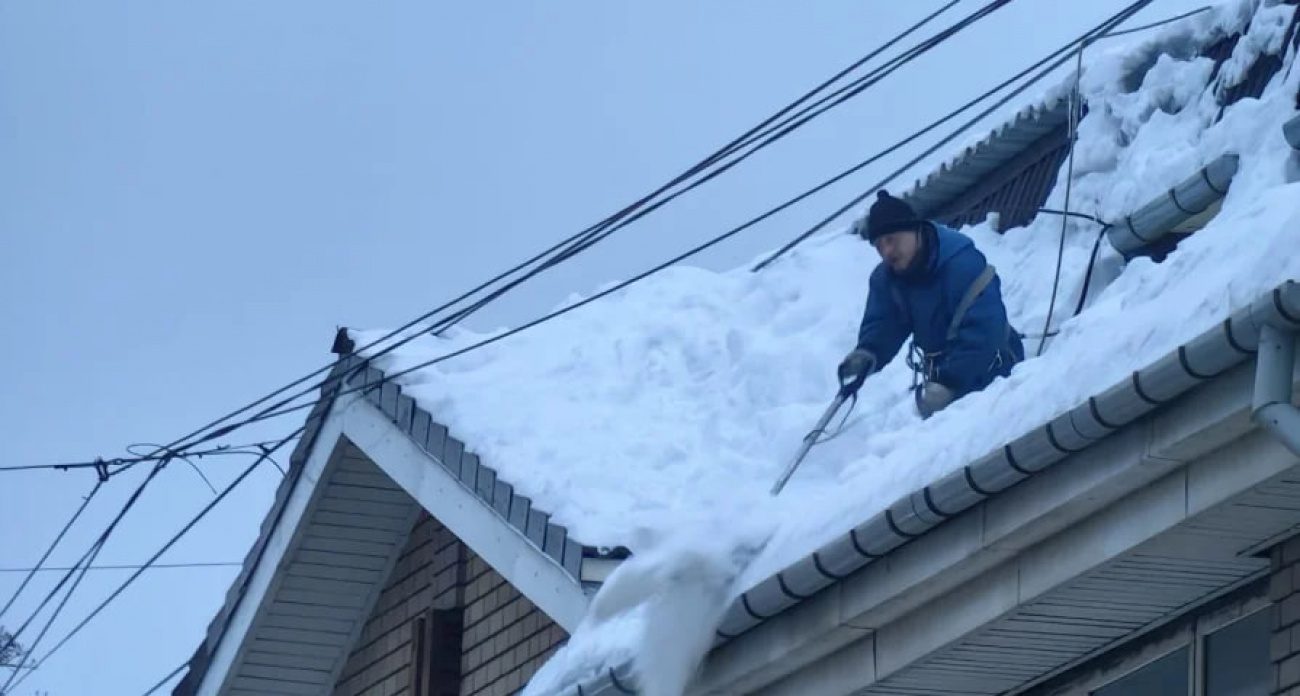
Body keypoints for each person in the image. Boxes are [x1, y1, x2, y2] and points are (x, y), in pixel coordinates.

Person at [837, 190, 1025, 418]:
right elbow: (885, 323)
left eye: (891, 240)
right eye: (878, 246)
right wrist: (868, 352)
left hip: (997, 373)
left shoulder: (963, 265)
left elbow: (985, 331)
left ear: (914, 230)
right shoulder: (887, 279)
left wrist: (949, 380)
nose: (886, 251)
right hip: (940, 384)